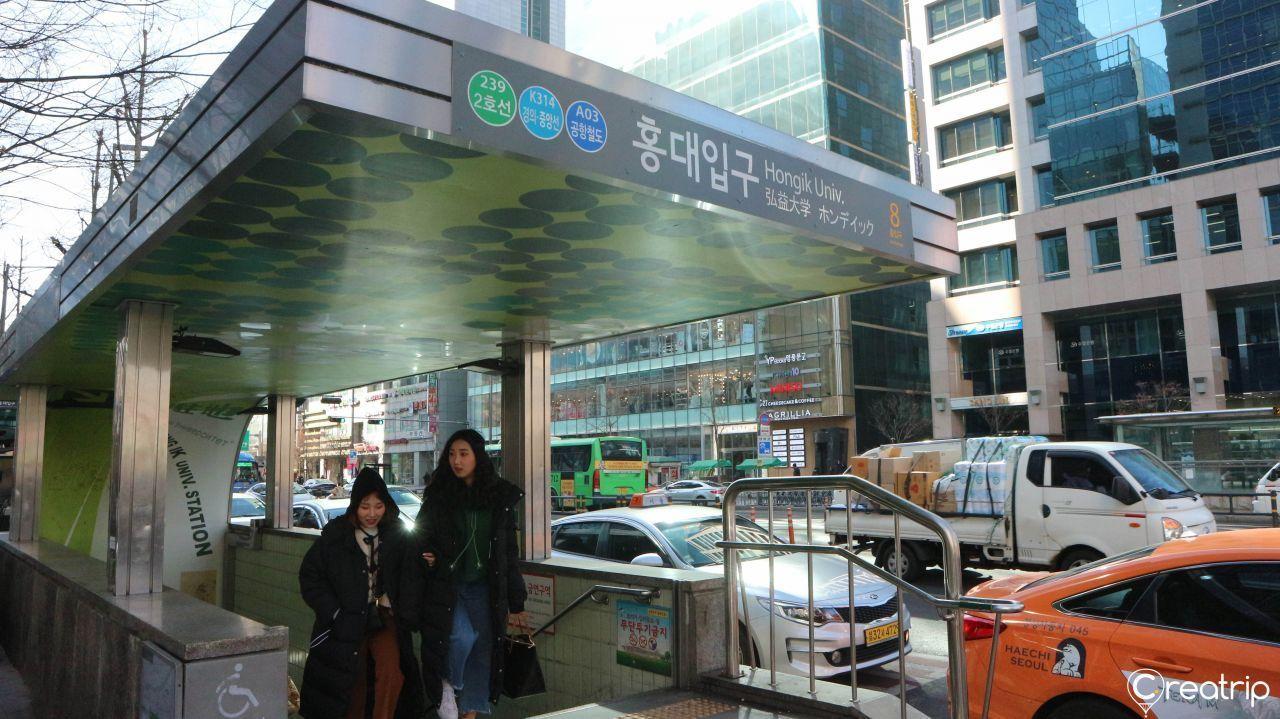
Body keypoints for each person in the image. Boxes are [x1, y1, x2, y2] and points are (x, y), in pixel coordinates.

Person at [416, 429, 530, 719]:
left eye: (463, 454)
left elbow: (508, 553)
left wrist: (517, 602)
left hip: (484, 588)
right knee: (460, 638)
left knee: (482, 652)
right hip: (448, 585)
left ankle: (469, 713)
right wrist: (429, 556)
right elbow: (420, 535)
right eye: (452, 454)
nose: (456, 460)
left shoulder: (498, 496)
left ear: (478, 457)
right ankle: (447, 683)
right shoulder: (440, 494)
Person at [298, 467, 424, 719]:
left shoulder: (398, 535)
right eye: (365, 506)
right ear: (355, 505)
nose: (372, 513)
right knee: (351, 679)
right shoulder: (336, 536)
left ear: (386, 505)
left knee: (392, 672)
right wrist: (333, 613)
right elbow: (310, 577)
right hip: (345, 619)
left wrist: (405, 607)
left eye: (378, 506)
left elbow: (411, 575)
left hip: (385, 618)